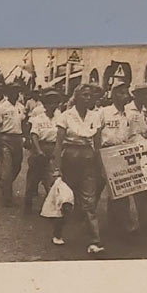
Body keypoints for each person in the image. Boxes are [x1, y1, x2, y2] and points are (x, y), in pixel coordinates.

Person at [51, 84, 105, 255]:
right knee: (67, 200)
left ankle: (95, 241)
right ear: (77, 97)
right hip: (69, 161)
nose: (88, 98)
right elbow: (59, 144)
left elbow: (97, 145)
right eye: (85, 95)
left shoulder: (95, 116)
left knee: (89, 203)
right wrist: (57, 168)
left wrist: (100, 167)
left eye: (90, 96)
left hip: (88, 161)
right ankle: (57, 232)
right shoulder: (66, 116)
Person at [100, 83, 147, 235]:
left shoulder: (129, 115)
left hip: (124, 153)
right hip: (107, 152)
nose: (125, 96)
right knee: (103, 189)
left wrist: (142, 146)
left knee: (120, 189)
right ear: (114, 95)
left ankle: (122, 226)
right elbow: (96, 135)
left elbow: (134, 134)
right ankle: (88, 218)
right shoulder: (104, 113)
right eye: (121, 93)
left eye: (126, 93)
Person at [24, 90, 60, 214]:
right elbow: (34, 135)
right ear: (45, 104)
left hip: (54, 148)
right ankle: (27, 203)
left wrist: (58, 151)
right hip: (40, 147)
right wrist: (38, 150)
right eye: (50, 103)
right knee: (33, 178)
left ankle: (51, 208)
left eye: (55, 102)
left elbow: (61, 135)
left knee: (51, 179)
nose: (52, 105)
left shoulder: (60, 117)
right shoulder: (38, 118)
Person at [0, 82, 27, 206]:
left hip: (18, 140)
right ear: (8, 93)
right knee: (7, 168)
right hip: (5, 139)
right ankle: (7, 196)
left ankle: (4, 183)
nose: (15, 93)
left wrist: (26, 137)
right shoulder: (2, 107)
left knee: (17, 167)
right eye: (12, 91)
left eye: (17, 91)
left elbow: (23, 123)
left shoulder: (21, 107)